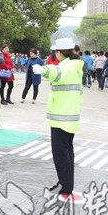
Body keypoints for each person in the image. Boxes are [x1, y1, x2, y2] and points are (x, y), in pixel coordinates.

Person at [33, 38, 84, 202]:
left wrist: (42, 70)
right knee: (67, 152)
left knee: (61, 153)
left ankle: (65, 187)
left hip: (62, 116)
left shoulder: (67, 66)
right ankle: (65, 183)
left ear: (60, 52)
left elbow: (56, 73)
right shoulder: (75, 66)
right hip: (69, 115)